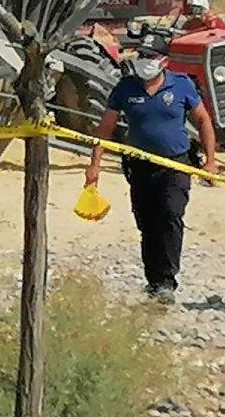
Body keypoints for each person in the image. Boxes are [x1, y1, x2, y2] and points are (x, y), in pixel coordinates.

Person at [86, 36, 217, 304]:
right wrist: (94, 165)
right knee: (147, 223)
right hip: (139, 166)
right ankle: (154, 280)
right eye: (141, 56)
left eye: (151, 56)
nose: (145, 62)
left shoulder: (181, 85)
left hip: (175, 165)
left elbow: (203, 120)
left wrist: (211, 160)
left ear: (164, 61)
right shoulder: (126, 88)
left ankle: (167, 281)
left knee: (170, 215)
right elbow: (105, 128)